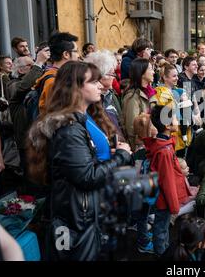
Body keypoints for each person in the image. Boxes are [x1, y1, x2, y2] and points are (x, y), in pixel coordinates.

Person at [26, 61, 132, 261]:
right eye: (93, 82)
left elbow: (82, 164)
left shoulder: (80, 121)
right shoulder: (69, 130)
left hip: (85, 215)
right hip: (77, 222)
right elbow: (86, 177)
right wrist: (121, 157)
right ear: (76, 88)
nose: (100, 85)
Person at [144, 105, 190, 256]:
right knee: (161, 228)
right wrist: (174, 204)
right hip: (164, 199)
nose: (178, 120)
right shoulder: (164, 151)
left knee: (163, 227)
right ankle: (161, 254)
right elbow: (167, 180)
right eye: (175, 118)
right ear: (167, 125)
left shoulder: (165, 143)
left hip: (164, 197)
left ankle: (165, 251)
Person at [35, 32, 79, 115]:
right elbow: (56, 118)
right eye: (76, 51)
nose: (78, 55)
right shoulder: (53, 82)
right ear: (66, 54)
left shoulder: (60, 76)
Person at [84, 50, 124, 140]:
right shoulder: (91, 100)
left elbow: (120, 122)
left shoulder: (111, 94)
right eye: (111, 73)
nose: (114, 77)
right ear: (101, 75)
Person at [122, 58, 155, 154]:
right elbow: (131, 127)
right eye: (150, 69)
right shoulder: (132, 97)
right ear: (141, 72)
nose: (153, 72)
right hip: (141, 147)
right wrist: (138, 150)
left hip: (151, 142)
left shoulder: (151, 92)